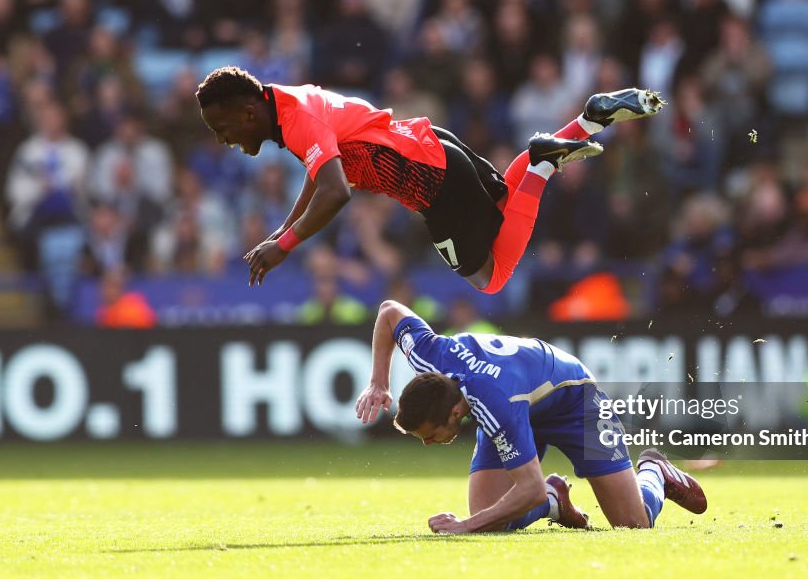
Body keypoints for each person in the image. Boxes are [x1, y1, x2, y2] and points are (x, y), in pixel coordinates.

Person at [194, 66, 664, 293]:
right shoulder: (286, 101)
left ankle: (542, 162)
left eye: (223, 128)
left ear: (249, 111)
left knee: (490, 278)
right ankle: (588, 120)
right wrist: (281, 232)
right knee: (505, 203)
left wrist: (285, 245)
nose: (223, 139)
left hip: (428, 181)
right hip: (435, 146)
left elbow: (336, 192)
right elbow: (320, 177)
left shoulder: (297, 122)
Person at [355, 300, 707, 534]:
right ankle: (557, 500)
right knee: (491, 519)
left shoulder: (495, 404)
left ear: (455, 411)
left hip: (575, 401)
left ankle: (653, 472)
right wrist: (377, 382)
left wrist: (464, 525)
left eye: (431, 435)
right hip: (522, 398)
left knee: (633, 525)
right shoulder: (430, 357)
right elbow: (388, 311)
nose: (430, 444)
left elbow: (528, 490)